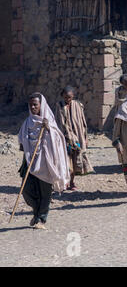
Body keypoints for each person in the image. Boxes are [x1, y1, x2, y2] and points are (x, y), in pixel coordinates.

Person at [18, 93, 70, 229]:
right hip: (30, 162)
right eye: (31, 105)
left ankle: (41, 219)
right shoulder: (27, 123)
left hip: (46, 163)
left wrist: (48, 129)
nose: (33, 107)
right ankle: (36, 212)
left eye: (35, 104)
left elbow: (58, 140)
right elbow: (21, 144)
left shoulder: (49, 122)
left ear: (41, 105)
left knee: (45, 193)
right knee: (27, 191)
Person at [55, 86, 94, 191]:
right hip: (64, 137)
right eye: (66, 97)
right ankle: (65, 181)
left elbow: (82, 122)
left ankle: (72, 182)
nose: (68, 99)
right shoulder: (59, 106)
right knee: (65, 160)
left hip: (78, 137)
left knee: (75, 158)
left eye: (70, 97)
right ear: (62, 95)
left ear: (73, 97)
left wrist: (85, 138)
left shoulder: (78, 105)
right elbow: (59, 123)